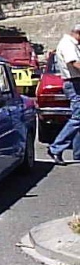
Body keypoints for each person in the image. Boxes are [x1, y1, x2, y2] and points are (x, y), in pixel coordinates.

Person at [47, 23, 80, 165]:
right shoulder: (68, 44)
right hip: (73, 83)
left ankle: (78, 152)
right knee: (78, 117)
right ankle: (55, 148)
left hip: (75, 81)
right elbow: (74, 63)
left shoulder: (71, 44)